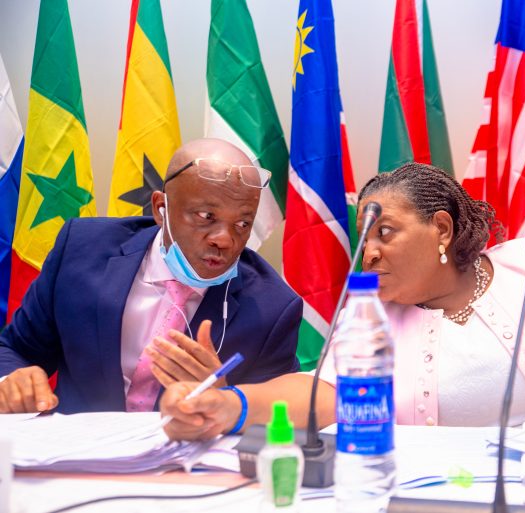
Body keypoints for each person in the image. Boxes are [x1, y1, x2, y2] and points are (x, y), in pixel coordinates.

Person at [160, 162, 525, 451]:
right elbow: (324, 392)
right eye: (363, 238)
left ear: (441, 229)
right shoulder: (371, 310)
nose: (367, 252)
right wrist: (228, 404)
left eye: (383, 232)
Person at [0, 138, 303, 415]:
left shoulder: (273, 308)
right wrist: (13, 380)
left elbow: (275, 417)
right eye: (206, 216)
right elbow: (15, 350)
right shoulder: (82, 251)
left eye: (242, 224)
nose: (224, 239)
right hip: (77, 451)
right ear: (161, 208)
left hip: (189, 455)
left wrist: (226, 400)